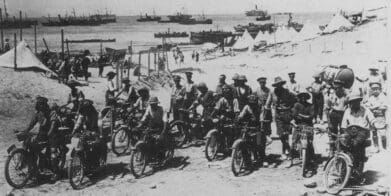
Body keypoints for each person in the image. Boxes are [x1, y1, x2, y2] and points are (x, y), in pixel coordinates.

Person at [341, 92, 375, 178]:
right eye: (352, 102)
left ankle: (357, 169)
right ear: (350, 103)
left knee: (356, 145)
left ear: (359, 102)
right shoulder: (347, 111)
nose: (354, 104)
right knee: (341, 144)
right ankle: (343, 169)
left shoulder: (365, 110)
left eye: (356, 101)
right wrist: (344, 135)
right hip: (350, 131)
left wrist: (375, 123)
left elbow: (372, 120)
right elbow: (344, 125)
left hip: (362, 132)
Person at [266, 76, 296, 160]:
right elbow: (268, 103)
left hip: (287, 114)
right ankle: (289, 150)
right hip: (278, 114)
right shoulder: (272, 92)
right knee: (280, 134)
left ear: (282, 84)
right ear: (275, 85)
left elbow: (295, 98)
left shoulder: (287, 91)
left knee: (286, 134)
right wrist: (266, 110)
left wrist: (292, 109)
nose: (278, 85)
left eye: (280, 84)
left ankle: (284, 152)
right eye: (277, 84)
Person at [72, 100, 107, 164]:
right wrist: (74, 130)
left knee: (96, 145)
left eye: (85, 110)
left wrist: (99, 134)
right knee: (78, 143)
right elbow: (78, 122)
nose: (84, 112)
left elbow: (100, 126)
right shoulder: (83, 114)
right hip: (87, 132)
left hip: (95, 132)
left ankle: (98, 161)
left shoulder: (97, 115)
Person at [237, 94, 268, 167]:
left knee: (259, 143)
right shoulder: (247, 107)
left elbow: (262, 116)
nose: (252, 104)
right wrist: (239, 119)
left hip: (257, 126)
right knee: (243, 141)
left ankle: (263, 159)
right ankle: (246, 160)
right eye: (251, 103)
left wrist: (261, 121)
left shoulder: (260, 107)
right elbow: (242, 115)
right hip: (248, 126)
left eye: (254, 103)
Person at [290, 91, 315, 167]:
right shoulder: (296, 105)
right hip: (298, 125)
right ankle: (290, 159)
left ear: (307, 98)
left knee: (310, 142)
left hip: (308, 125)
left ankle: (311, 158)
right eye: (301, 97)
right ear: (299, 98)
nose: (303, 98)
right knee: (294, 142)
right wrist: (305, 116)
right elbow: (294, 115)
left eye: (305, 97)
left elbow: (311, 116)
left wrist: (300, 115)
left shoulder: (310, 105)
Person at [325, 80, 348, 156]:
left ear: (342, 88)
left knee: (343, 132)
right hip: (334, 114)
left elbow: (349, 108)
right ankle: (332, 150)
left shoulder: (346, 96)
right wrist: (329, 122)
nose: (336, 89)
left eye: (338, 88)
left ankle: (343, 149)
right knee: (332, 133)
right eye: (335, 88)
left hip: (343, 115)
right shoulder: (331, 96)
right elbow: (327, 109)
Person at [365, 82, 388, 152]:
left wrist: (374, 107)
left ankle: (384, 147)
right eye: (373, 89)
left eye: (376, 89)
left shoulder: (383, 97)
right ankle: (376, 147)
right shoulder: (371, 98)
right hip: (373, 117)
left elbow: (384, 106)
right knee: (374, 133)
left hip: (381, 117)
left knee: (383, 133)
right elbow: (367, 106)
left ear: (380, 89)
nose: (375, 91)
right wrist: (375, 107)